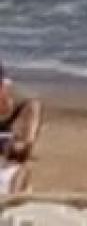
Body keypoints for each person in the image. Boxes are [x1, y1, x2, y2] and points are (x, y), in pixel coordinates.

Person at [0, 60, 40, 198]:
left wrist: (18, 144)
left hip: (10, 165)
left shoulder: (26, 105)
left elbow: (23, 149)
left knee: (19, 171)